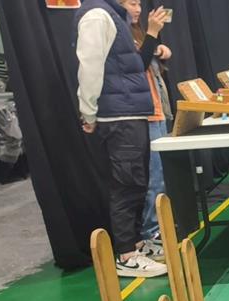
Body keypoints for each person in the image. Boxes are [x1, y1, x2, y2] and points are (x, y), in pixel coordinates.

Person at [76, 0, 167, 278]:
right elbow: (89, 67)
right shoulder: (97, 16)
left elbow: (134, 65)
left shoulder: (114, 17)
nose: (136, 5)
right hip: (117, 116)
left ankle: (136, 244)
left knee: (136, 182)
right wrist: (88, 111)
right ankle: (127, 255)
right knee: (126, 185)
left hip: (131, 112)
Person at [122, 0, 173, 251]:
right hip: (143, 114)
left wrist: (159, 49)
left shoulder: (138, 33)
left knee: (161, 176)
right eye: (131, 3)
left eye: (139, 3)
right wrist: (152, 35)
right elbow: (136, 66)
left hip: (158, 109)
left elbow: (148, 60)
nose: (138, 8)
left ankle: (158, 227)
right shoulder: (119, 35)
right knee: (153, 178)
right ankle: (150, 232)